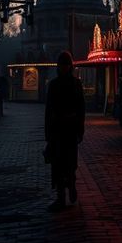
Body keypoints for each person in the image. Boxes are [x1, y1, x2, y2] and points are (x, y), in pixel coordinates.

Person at [44, 51, 86, 211]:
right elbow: (49, 110)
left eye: (65, 65)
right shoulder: (68, 84)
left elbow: (80, 108)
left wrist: (80, 129)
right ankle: (63, 194)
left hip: (65, 129)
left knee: (64, 163)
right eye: (62, 65)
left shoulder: (65, 84)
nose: (63, 68)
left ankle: (67, 190)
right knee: (61, 163)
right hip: (62, 129)